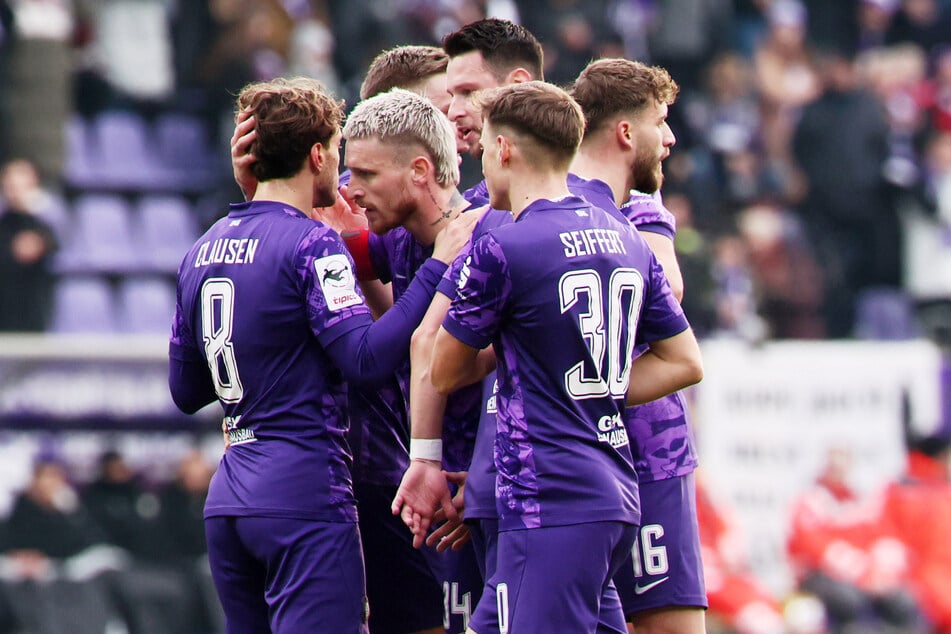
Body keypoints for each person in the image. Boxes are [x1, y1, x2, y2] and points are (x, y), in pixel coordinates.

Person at [168, 77, 473, 634]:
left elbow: (186, 391)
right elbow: (365, 361)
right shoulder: (312, 243)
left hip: (230, 497)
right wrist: (436, 269)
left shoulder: (202, 248)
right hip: (304, 493)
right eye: (338, 153)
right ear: (316, 155)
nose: (346, 175)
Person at [430, 81, 704, 633]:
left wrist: (527, 363)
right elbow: (684, 362)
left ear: (503, 149)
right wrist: (594, 389)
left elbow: (444, 370)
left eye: (484, 151)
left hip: (547, 497)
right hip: (613, 491)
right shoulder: (627, 237)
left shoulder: (503, 245)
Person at [568, 58, 709, 633]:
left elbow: (670, 286)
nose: (670, 138)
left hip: (645, 445)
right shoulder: (542, 203)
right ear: (626, 132)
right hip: (582, 457)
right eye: (661, 121)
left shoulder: (638, 204)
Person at [0, 158, 58, 332]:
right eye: (9, 183)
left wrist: (40, 244)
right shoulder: (4, 225)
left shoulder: (44, 223)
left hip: (33, 313)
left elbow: (57, 244)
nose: (14, 189)